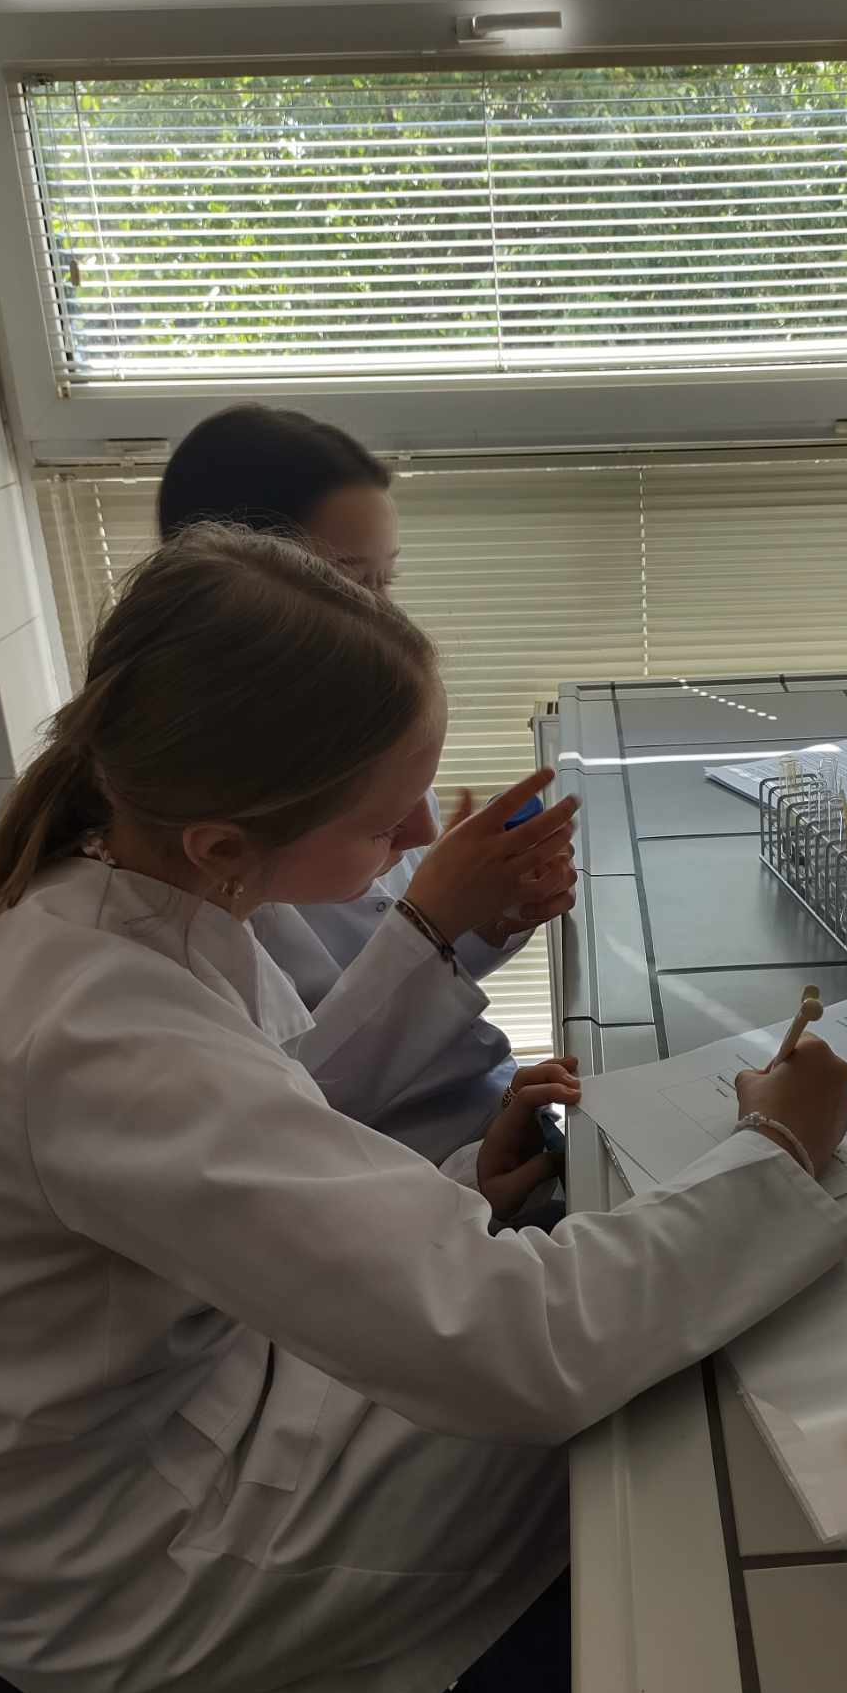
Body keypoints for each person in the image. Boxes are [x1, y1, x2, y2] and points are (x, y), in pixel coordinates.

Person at [0, 526, 847, 1693]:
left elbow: (237, 1185)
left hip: (147, 1429)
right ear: (225, 842)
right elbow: (520, 1347)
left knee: (619, 1347)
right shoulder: (94, 1024)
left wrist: (457, 1187)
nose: (421, 838)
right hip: (119, 1566)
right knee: (635, 1463)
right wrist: (778, 1154)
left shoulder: (122, 904)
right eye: (387, 819)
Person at [159, 404, 565, 1161]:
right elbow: (290, 1110)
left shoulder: (367, 740)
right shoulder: (212, 839)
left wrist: (486, 913)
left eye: (387, 580)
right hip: (407, 1167)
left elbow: (387, 961)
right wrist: (433, 922)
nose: (385, 618)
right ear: (241, 589)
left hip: (481, 1131)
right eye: (350, 585)